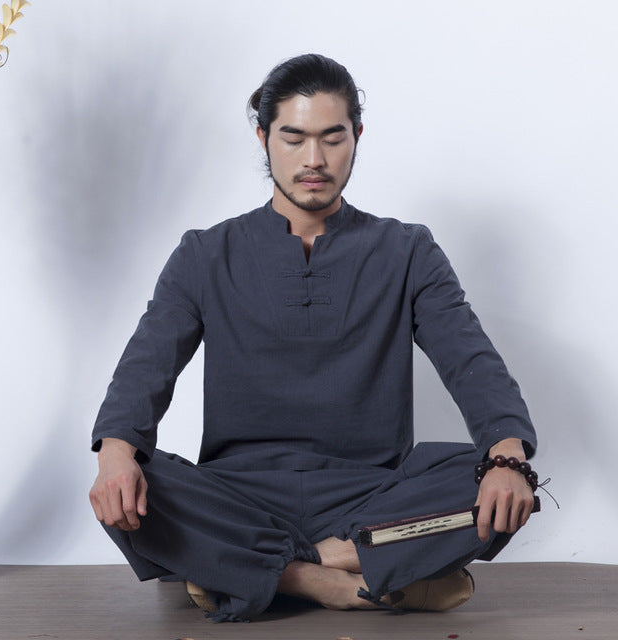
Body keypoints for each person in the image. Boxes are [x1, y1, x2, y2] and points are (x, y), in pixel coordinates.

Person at [89, 53, 538, 623]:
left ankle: (258, 570)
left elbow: (471, 360)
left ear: (357, 137)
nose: (314, 160)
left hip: (372, 498)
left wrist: (506, 456)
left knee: (501, 481)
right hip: (238, 496)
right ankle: (343, 581)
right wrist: (116, 456)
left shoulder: (407, 251)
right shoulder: (204, 254)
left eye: (332, 138)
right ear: (263, 138)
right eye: (294, 138)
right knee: (130, 482)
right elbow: (144, 368)